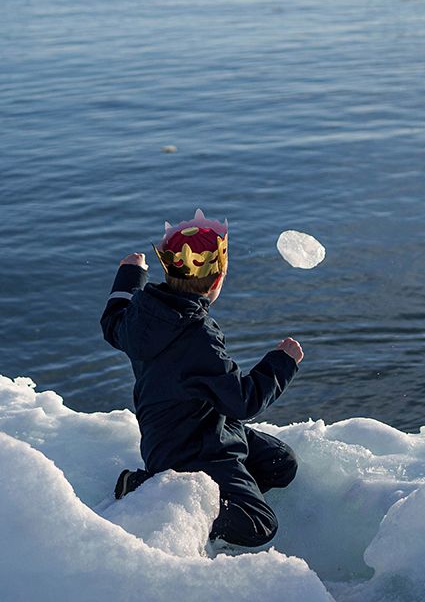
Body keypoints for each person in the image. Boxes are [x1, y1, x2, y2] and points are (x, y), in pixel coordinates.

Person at [99, 209, 305, 549]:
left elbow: (112, 321)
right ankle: (148, 489)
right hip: (191, 451)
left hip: (201, 428)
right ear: (217, 280)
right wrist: (282, 363)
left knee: (281, 463)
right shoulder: (197, 337)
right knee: (260, 525)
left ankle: (224, 490)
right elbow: (243, 401)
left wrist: (130, 275)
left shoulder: (143, 316)